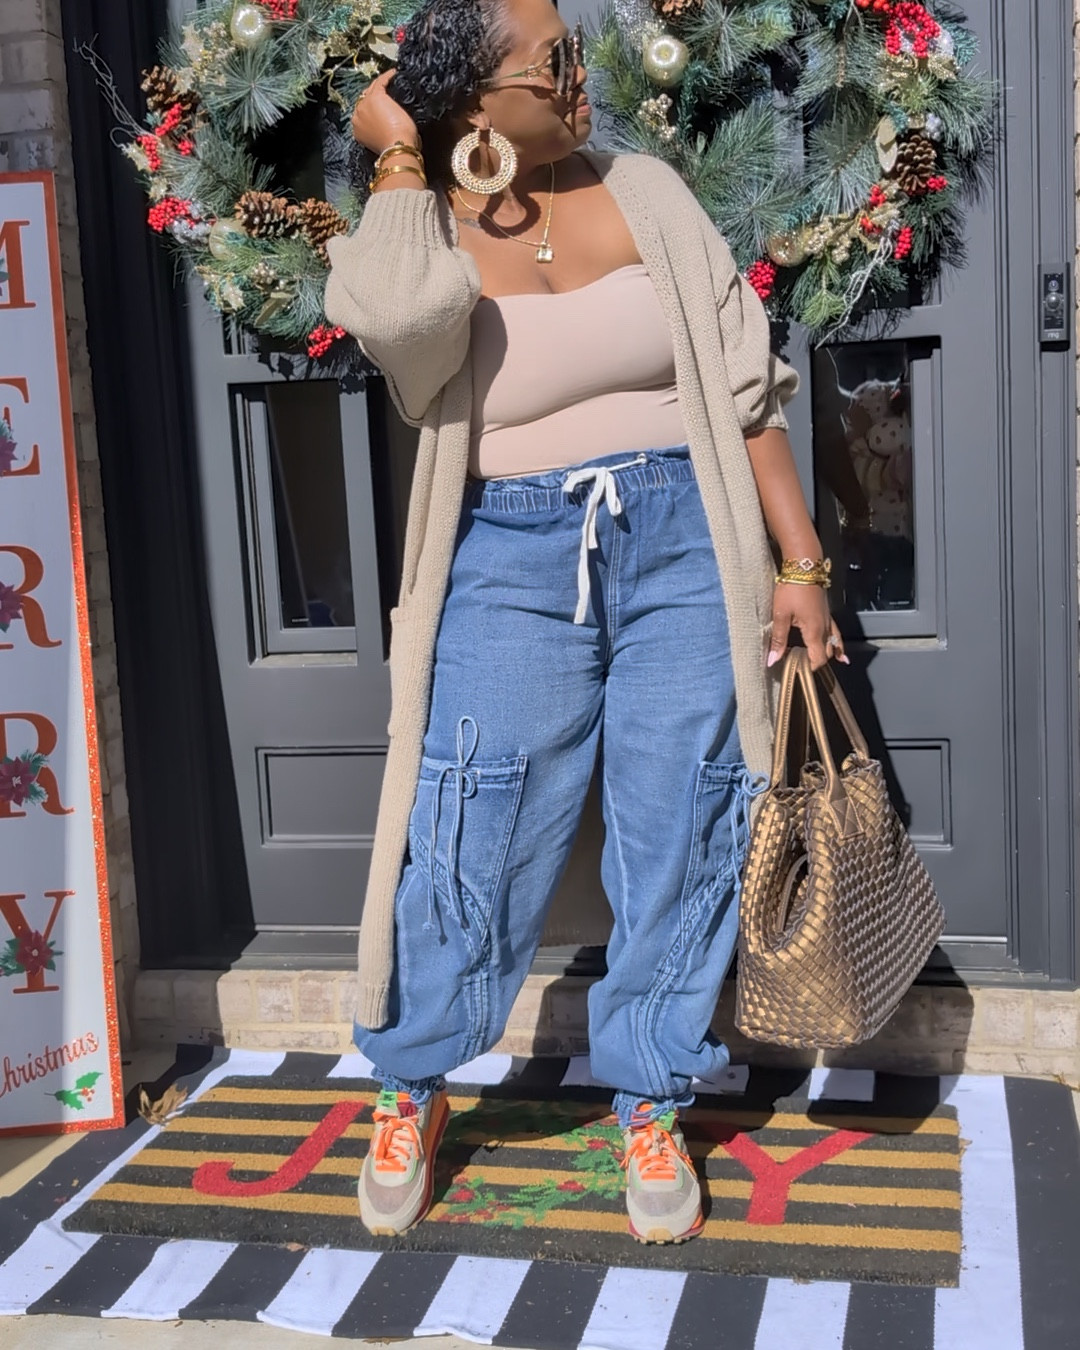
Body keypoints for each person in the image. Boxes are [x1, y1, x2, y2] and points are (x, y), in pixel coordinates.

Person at [324, 0, 845, 1246]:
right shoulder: (423, 221)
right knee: (472, 820)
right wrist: (400, 152)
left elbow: (746, 386)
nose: (579, 81)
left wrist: (801, 560)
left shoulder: (649, 193)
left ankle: (653, 1092)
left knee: (686, 811)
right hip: (508, 550)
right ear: (474, 105)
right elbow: (400, 332)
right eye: (549, 64)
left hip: (683, 539)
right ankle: (414, 1079)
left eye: (572, 52)